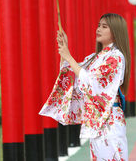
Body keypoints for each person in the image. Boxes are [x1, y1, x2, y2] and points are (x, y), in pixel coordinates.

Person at [39, 13, 131, 161]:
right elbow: (73, 76)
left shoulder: (116, 57)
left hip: (110, 119)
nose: (98, 29)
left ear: (115, 31)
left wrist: (68, 56)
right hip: (97, 120)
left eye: (104, 26)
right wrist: (64, 48)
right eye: (98, 25)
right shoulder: (94, 58)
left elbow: (91, 83)